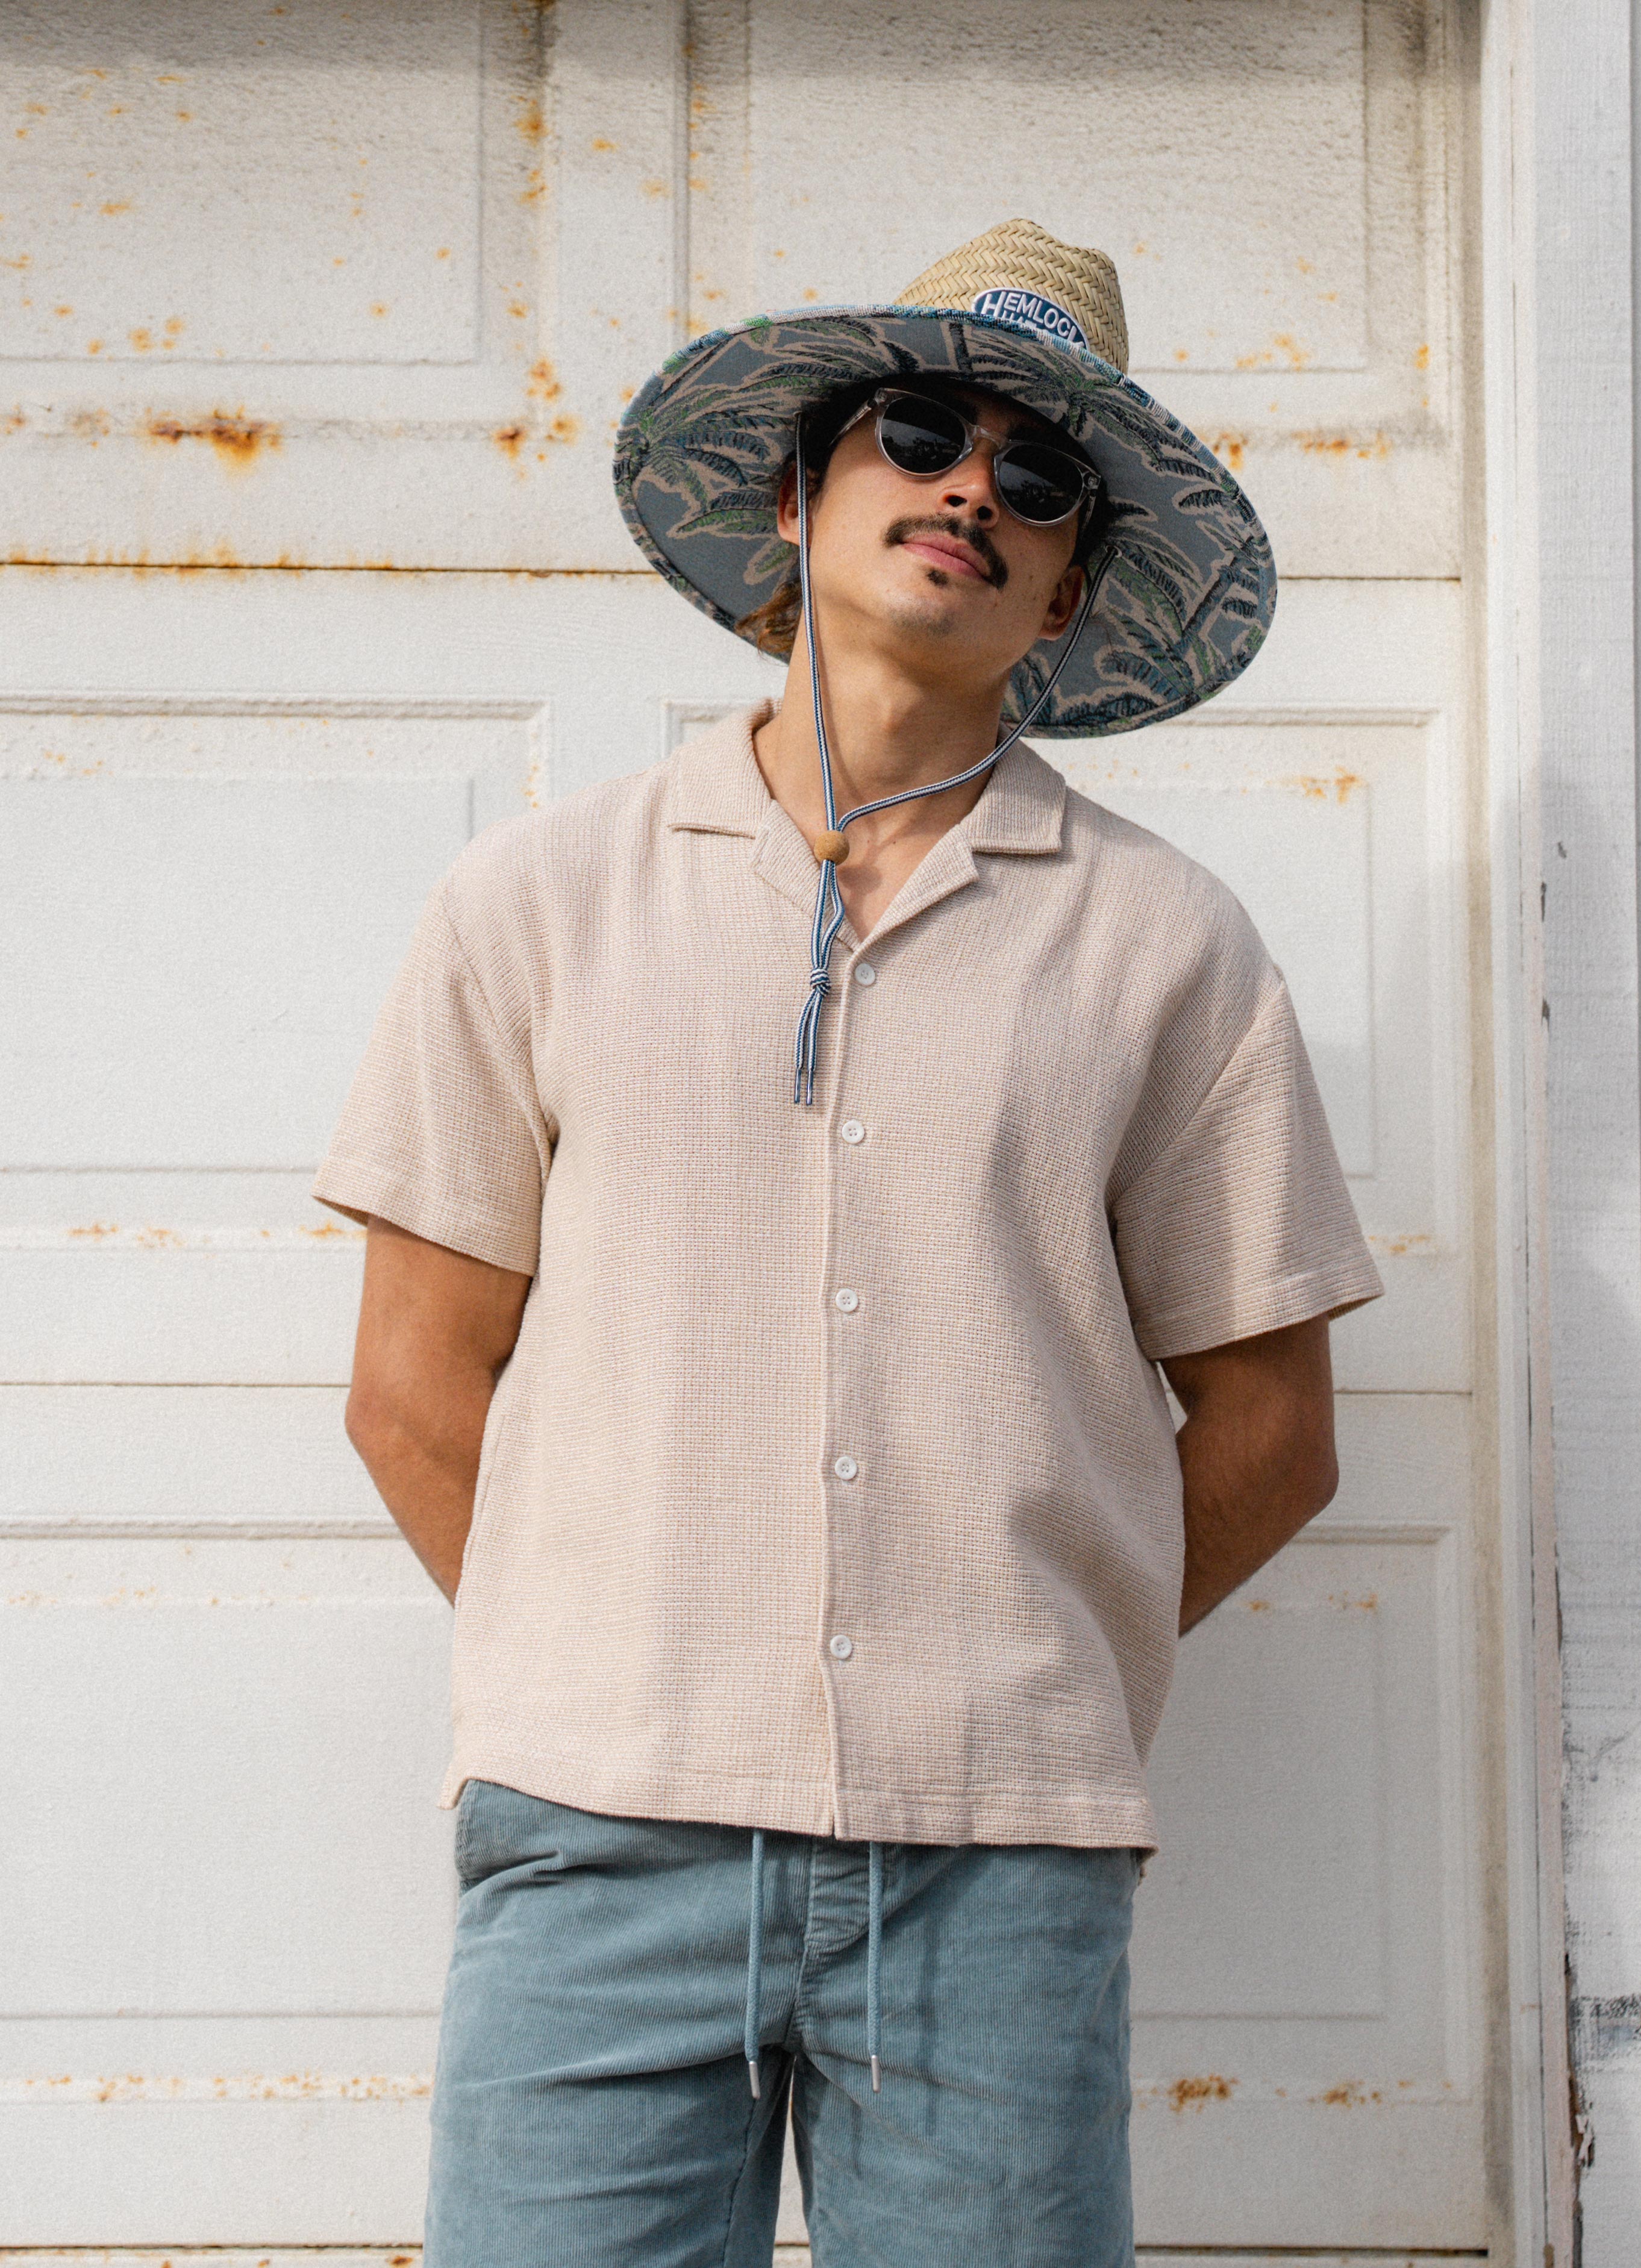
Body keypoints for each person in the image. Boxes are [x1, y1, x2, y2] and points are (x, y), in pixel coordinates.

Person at [313, 219, 1383, 2268]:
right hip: (598, 1837)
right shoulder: (536, 901)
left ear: (1069, 584)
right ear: (799, 500)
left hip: (998, 1866)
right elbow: (410, 1385)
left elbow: (1272, 1426)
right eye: (916, 433)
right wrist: (609, 1654)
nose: (971, 486)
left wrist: (1022, 1659)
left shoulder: (1167, 947)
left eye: (1038, 475)